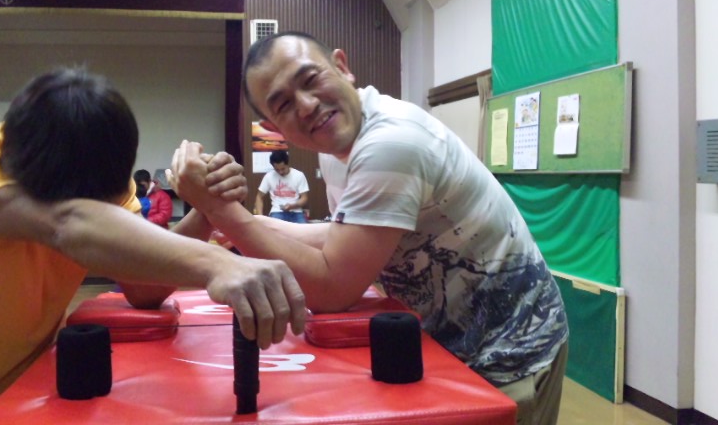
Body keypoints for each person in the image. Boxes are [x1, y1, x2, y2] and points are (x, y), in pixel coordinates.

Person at [168, 32, 569, 425]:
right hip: (446, 346)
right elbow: (344, 237)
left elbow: (333, 289)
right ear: (275, 127)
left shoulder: (390, 143)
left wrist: (222, 213)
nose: (307, 105)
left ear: (342, 67)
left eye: (310, 79)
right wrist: (249, 223)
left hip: (508, 349)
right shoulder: (336, 149)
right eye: (284, 104)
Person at [0, 68, 306, 425]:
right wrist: (217, 262)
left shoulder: (101, 171)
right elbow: (68, 224)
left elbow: (143, 289)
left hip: (38, 396)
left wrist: (206, 207)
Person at [254, 150, 309, 223]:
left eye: (283, 169)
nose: (280, 172)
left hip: (296, 211)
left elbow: (304, 198)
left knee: (303, 229)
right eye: (277, 170)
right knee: (273, 228)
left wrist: (292, 206)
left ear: (287, 164)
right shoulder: (269, 176)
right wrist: (260, 218)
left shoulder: (299, 175)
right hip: (277, 211)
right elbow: (259, 197)